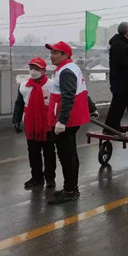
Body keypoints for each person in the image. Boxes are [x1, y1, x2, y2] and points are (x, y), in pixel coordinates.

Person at [45, 41, 90, 204]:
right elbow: (82, 90)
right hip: (69, 119)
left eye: (55, 52)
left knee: (66, 156)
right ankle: (70, 187)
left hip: (66, 121)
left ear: (65, 55)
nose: (51, 55)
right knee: (70, 154)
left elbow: (69, 96)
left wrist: (61, 121)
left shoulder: (66, 71)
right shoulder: (68, 68)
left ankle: (70, 190)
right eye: (51, 52)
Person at [12, 57, 56, 189]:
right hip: (31, 124)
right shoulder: (24, 86)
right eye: (31, 68)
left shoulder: (52, 85)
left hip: (47, 124)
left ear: (43, 70)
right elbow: (19, 104)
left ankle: (50, 178)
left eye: (36, 68)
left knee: (49, 152)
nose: (33, 71)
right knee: (33, 152)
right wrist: (16, 120)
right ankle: (36, 177)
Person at [105, 22, 128, 132]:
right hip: (120, 80)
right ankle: (110, 127)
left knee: (119, 104)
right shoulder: (119, 45)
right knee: (117, 104)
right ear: (127, 32)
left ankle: (113, 126)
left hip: (121, 79)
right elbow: (123, 62)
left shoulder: (121, 43)